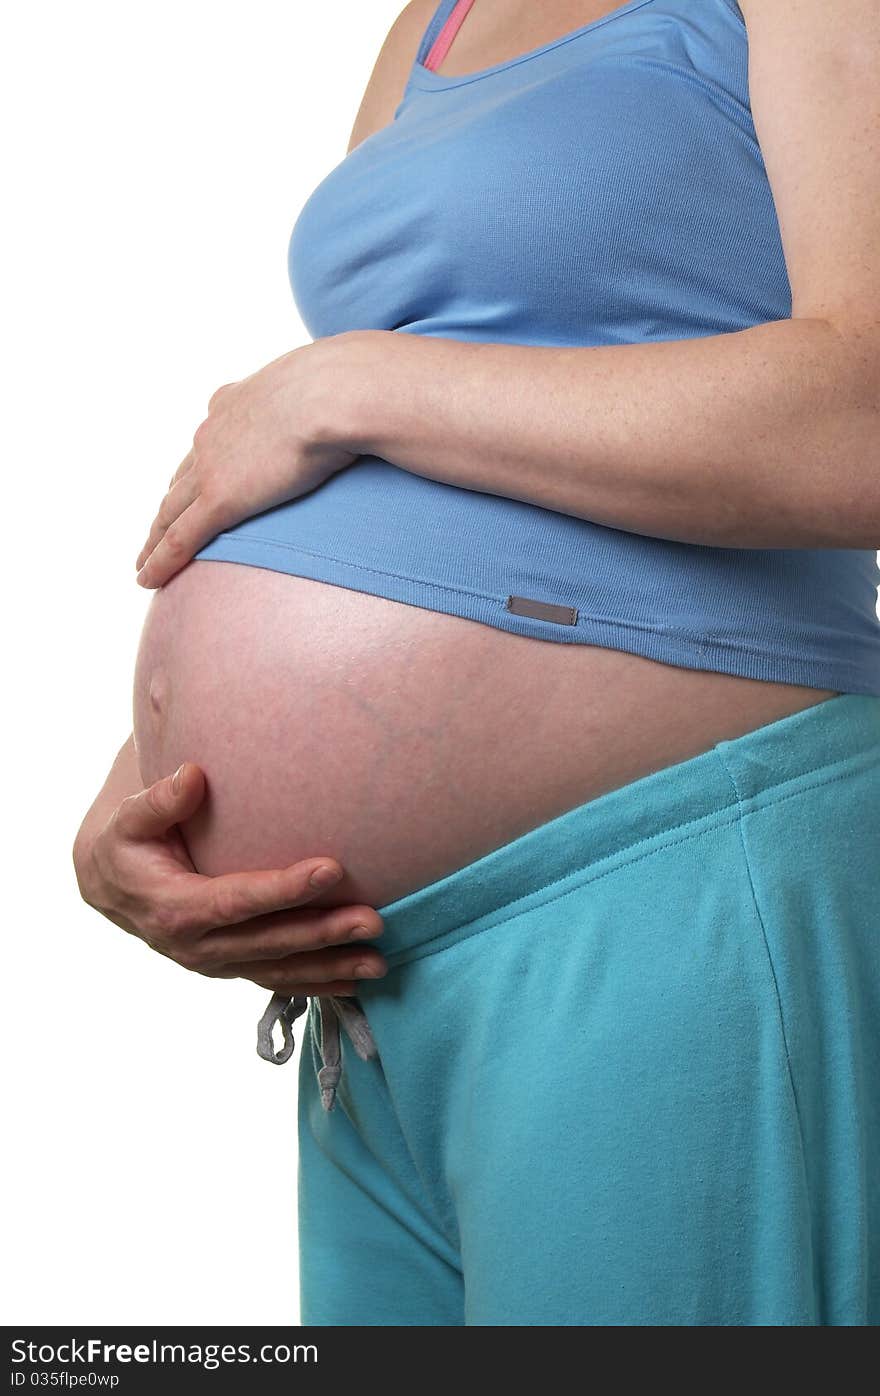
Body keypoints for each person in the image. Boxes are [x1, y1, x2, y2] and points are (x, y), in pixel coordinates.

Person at [74, 0, 880, 1325]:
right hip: (373, 994)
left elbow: (864, 420)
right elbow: (360, 453)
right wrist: (146, 794)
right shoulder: (429, 24)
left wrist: (347, 386)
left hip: (660, 881)